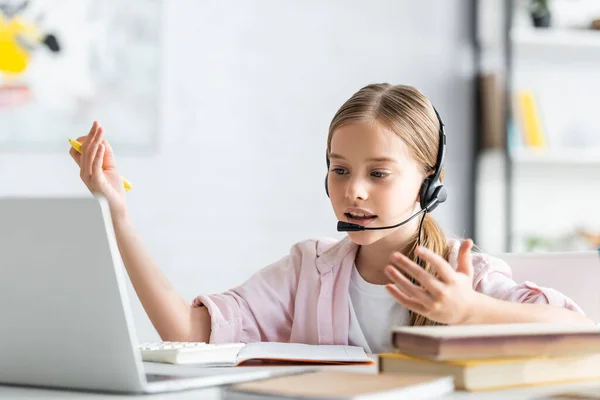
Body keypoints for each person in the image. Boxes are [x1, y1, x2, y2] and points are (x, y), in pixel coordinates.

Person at [70, 83, 595, 354]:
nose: (354, 190)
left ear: (429, 182)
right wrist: (118, 214)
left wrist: (469, 310)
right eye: (340, 170)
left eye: (379, 173)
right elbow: (187, 331)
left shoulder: (467, 275)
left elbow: (580, 330)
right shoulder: (309, 268)